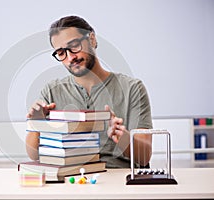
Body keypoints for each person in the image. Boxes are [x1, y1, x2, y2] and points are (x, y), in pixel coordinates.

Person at [26, 15, 152, 168]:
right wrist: (37, 124)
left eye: (74, 45)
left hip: (118, 179)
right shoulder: (52, 91)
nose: (71, 57)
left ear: (92, 39)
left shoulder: (132, 88)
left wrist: (122, 137)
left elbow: (144, 157)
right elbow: (34, 155)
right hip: (71, 179)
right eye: (61, 53)